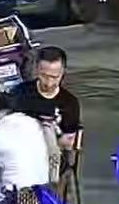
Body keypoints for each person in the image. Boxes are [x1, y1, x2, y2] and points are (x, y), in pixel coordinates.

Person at [11, 46, 82, 185]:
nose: (49, 83)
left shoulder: (69, 103)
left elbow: (68, 141)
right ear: (37, 70)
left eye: (54, 77)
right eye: (44, 76)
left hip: (52, 161)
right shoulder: (21, 94)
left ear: (62, 73)